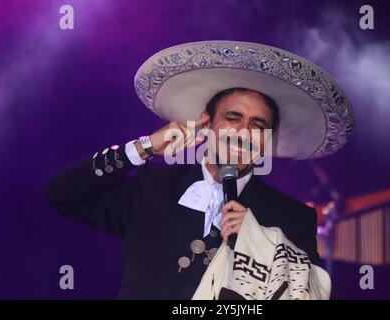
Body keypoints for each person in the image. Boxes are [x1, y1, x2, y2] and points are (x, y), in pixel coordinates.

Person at [45, 40, 354, 299]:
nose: (243, 133)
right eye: (233, 118)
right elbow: (64, 195)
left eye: (257, 125)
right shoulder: (152, 186)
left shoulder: (292, 217)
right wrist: (145, 148)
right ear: (207, 123)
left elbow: (309, 294)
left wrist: (259, 239)